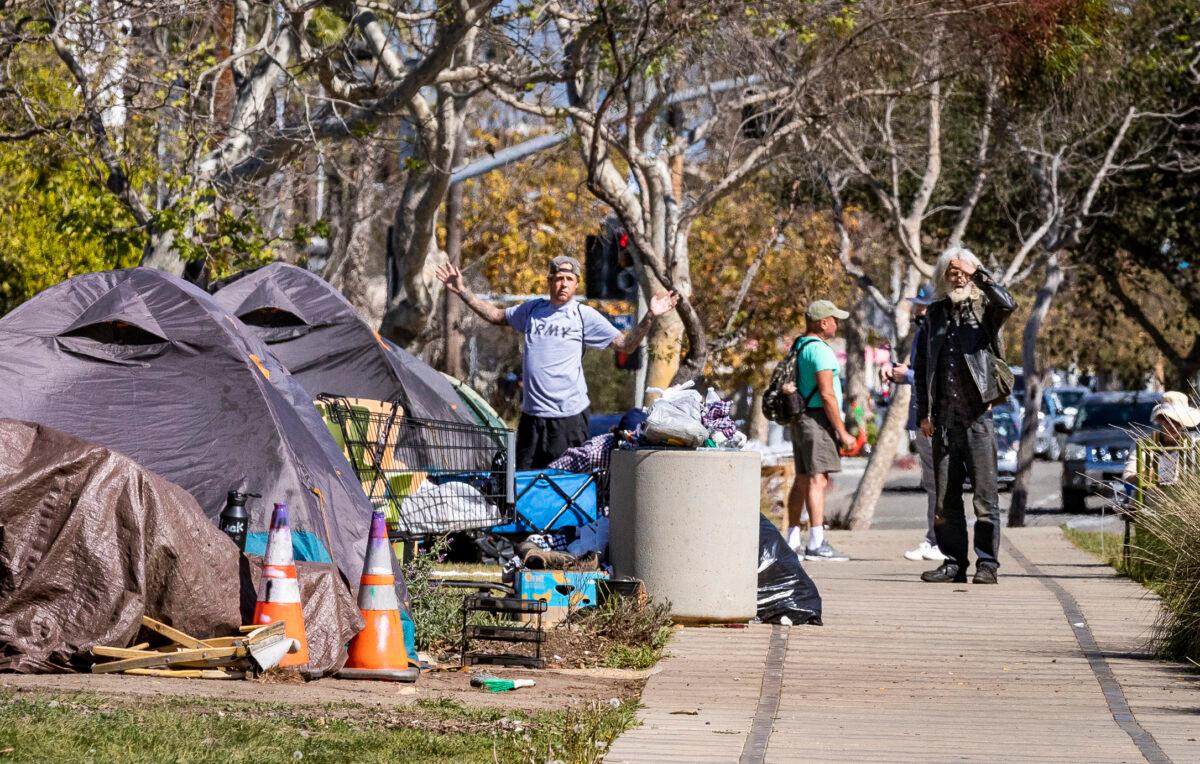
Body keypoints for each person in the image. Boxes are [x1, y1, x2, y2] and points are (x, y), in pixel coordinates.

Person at [436, 255, 678, 469]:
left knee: (565, 487)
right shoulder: (532, 310)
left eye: (569, 279)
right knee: (523, 486)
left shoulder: (584, 316)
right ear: (550, 280)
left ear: (576, 284)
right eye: (559, 277)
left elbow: (626, 344)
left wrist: (650, 316)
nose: (563, 283)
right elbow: (497, 315)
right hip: (532, 417)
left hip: (568, 418)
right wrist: (462, 290)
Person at [914, 248, 1016, 585]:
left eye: (963, 272)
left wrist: (982, 275)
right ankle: (954, 562)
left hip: (977, 419)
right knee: (945, 499)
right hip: (943, 420)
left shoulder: (985, 308)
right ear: (941, 278)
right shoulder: (934, 315)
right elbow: (923, 366)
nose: (957, 278)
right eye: (951, 272)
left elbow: (1007, 304)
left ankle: (987, 564)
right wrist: (922, 414)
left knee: (985, 498)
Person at [781, 300, 857, 561]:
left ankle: (791, 538)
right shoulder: (821, 352)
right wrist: (843, 432)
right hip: (817, 420)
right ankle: (816, 541)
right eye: (834, 319)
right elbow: (827, 395)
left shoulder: (800, 345)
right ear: (823, 323)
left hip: (801, 418)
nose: (837, 323)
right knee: (817, 479)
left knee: (802, 479)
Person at [882, 286, 948, 563]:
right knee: (933, 484)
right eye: (916, 304)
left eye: (921, 304)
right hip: (923, 418)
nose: (916, 309)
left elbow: (935, 373)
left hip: (935, 419)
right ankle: (935, 539)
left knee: (940, 484)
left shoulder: (937, 332)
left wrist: (905, 375)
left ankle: (940, 542)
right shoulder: (923, 331)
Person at [1122, 391, 1200, 487]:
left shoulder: (1194, 442)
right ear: (1160, 420)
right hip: (1151, 499)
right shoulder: (1144, 443)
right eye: (1169, 420)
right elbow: (1127, 477)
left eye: (1179, 422)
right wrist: (1142, 476)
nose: (1174, 426)